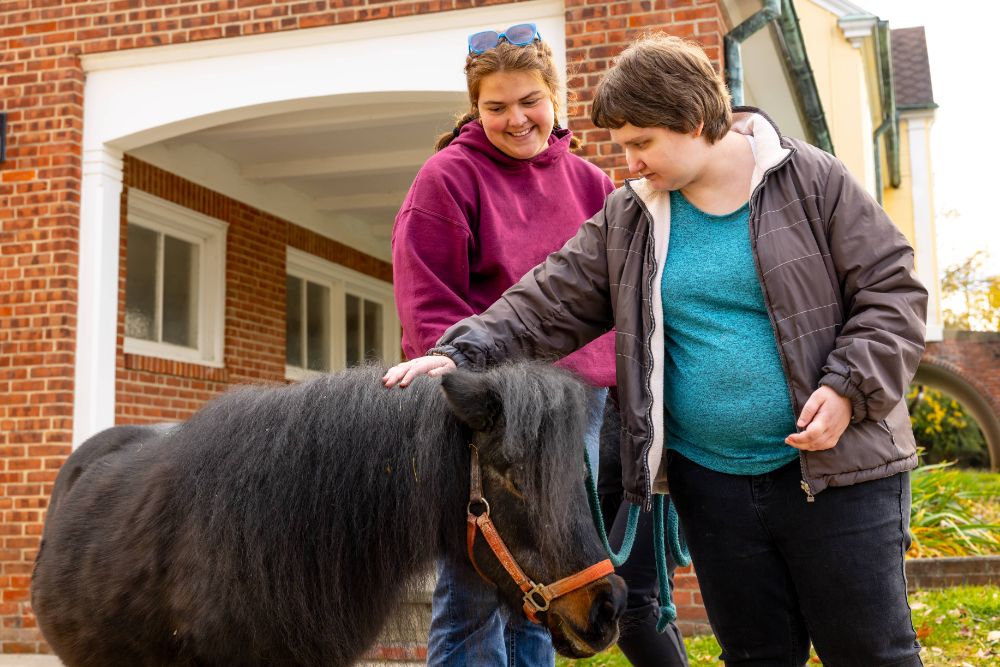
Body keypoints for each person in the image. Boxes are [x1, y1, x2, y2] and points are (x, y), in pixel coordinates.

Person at [385, 32, 929, 667]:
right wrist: (461, 354)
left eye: (642, 143)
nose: (631, 162)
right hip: (714, 483)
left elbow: (892, 292)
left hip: (835, 474)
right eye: (624, 147)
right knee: (755, 655)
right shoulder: (633, 214)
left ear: (694, 122)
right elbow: (547, 300)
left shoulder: (812, 180)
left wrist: (846, 389)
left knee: (870, 652)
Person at [391, 24, 688, 667]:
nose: (515, 118)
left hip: (584, 408)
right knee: (472, 595)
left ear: (555, 97)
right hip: (488, 415)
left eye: (529, 100)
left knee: (547, 582)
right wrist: (474, 398)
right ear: (476, 108)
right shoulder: (447, 179)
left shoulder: (590, 183)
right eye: (495, 107)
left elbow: (624, 297)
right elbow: (428, 304)